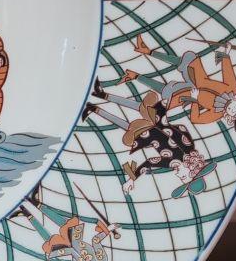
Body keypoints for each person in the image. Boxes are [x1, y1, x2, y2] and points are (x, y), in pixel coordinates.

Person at [83, 82, 212, 197]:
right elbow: (181, 129)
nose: (177, 175)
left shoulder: (178, 157)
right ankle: (98, 100)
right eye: (183, 176)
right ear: (192, 168)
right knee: (138, 111)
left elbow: (150, 161)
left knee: (134, 118)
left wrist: (132, 179)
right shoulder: (181, 155)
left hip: (153, 127)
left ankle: (95, 105)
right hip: (154, 126)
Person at [123, 38, 236, 133]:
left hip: (191, 94)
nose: (234, 110)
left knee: (168, 93)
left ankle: (134, 76)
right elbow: (228, 71)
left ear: (232, 118)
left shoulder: (216, 114)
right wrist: (226, 53)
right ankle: (148, 51)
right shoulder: (233, 88)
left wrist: (195, 100)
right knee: (191, 59)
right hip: (199, 78)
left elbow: (196, 119)